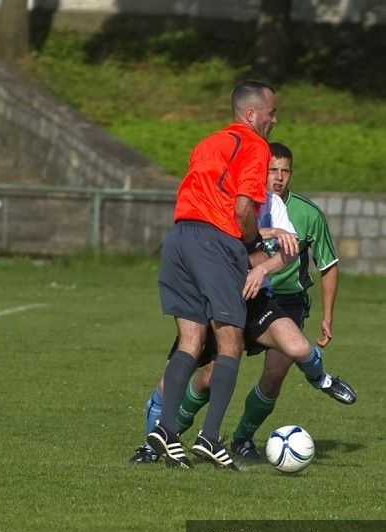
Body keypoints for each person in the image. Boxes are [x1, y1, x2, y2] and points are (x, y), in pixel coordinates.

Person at [130, 143, 356, 465]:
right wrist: (266, 233)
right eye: (270, 170)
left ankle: (321, 380)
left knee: (297, 347)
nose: (276, 177)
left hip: (258, 299)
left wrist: (263, 268)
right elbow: (226, 239)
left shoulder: (276, 204)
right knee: (193, 377)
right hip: (219, 295)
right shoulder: (226, 201)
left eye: (283, 171)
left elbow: (289, 252)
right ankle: (155, 444)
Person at [147, 80, 277, 470]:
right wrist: (254, 246)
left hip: (178, 239)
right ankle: (210, 437)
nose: (274, 120)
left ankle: (166, 429)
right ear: (251, 114)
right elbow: (242, 208)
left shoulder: (207, 143)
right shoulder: (255, 146)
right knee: (230, 339)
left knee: (190, 339)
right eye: (271, 113)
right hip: (214, 242)